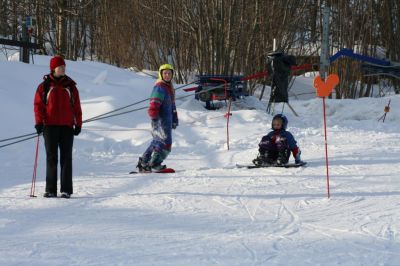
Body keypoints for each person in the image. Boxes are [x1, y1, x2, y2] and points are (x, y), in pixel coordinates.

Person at [33, 55, 82, 198]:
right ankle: (50, 189)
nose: (63, 69)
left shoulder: (71, 86)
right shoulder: (45, 86)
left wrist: (78, 124)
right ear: (53, 68)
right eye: (60, 67)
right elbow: (38, 106)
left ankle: (66, 190)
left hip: (67, 126)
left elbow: (77, 107)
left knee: (66, 158)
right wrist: (38, 123)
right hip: (50, 127)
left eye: (64, 67)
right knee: (51, 157)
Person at [136, 64, 178, 172]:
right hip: (160, 120)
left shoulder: (168, 87)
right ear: (161, 74)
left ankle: (145, 161)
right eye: (165, 73)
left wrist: (174, 119)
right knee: (165, 143)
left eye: (169, 73)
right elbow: (154, 103)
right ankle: (155, 163)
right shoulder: (160, 87)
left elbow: (172, 106)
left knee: (156, 141)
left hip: (166, 120)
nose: (167, 75)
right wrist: (154, 117)